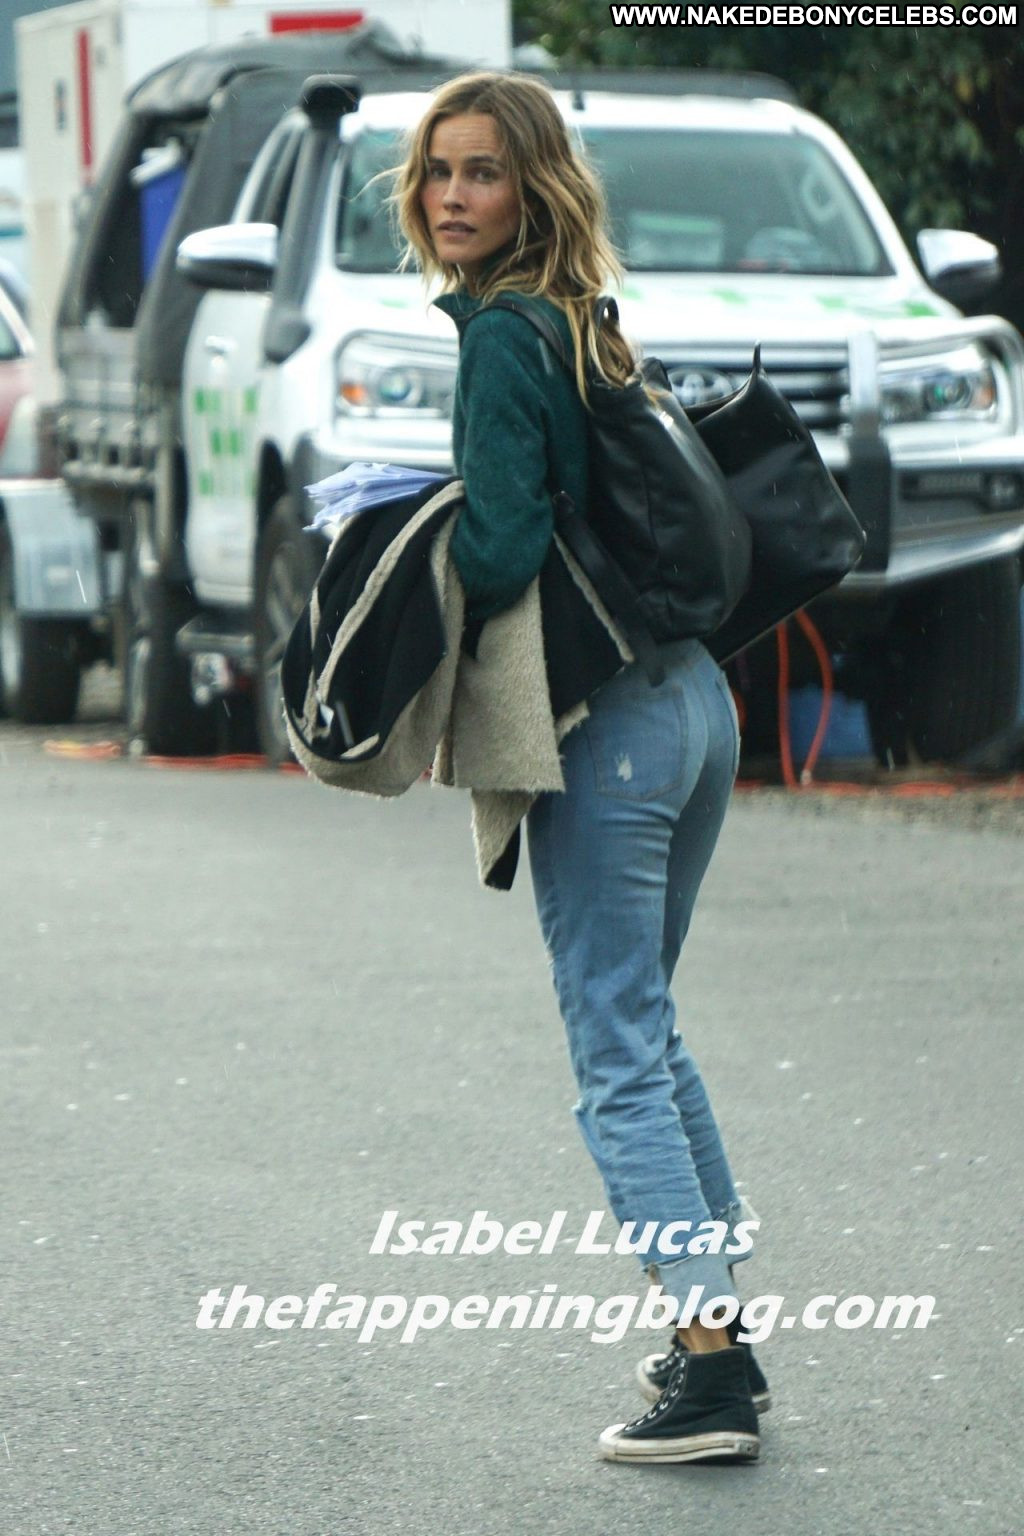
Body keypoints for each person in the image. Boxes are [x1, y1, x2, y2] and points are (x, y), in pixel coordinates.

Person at [395, 71, 768, 1465]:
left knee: (615, 1051)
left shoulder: (505, 334)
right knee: (647, 1031)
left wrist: (406, 553)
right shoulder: (589, 316)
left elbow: (501, 546)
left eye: (482, 172)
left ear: (533, 186)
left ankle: (710, 1372)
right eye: (438, 172)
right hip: (694, 707)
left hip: (606, 731)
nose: (452, 197)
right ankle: (722, 1335)